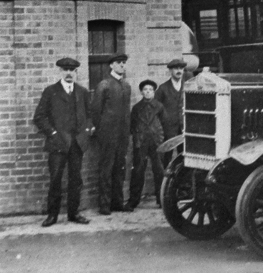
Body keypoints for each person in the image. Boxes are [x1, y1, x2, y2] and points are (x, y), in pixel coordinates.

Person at [33, 57, 93, 227]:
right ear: (60, 71)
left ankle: (74, 213)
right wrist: (52, 133)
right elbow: (39, 117)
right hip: (57, 143)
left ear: (76, 72)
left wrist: (86, 132)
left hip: (77, 143)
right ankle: (52, 215)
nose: (68, 73)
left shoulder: (82, 92)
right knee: (55, 179)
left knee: (76, 179)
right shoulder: (50, 91)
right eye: (65, 70)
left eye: (72, 70)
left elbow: (89, 116)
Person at [91, 52, 132, 215]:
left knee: (120, 168)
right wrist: (102, 130)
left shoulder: (126, 86)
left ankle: (117, 202)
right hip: (108, 134)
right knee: (106, 169)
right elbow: (95, 111)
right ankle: (104, 204)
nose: (122, 65)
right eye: (119, 62)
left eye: (124, 62)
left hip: (122, 134)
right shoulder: (104, 85)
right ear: (111, 65)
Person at [125, 80, 165, 211]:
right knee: (138, 170)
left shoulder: (159, 106)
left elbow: (164, 123)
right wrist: (138, 137)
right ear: (142, 92)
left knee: (159, 170)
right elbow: (132, 125)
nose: (148, 92)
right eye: (145, 90)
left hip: (156, 142)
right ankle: (133, 201)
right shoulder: (136, 108)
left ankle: (161, 199)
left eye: (150, 90)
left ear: (154, 92)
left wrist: (159, 137)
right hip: (141, 142)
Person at [155, 58, 186, 166]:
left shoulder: (188, 86)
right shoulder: (163, 88)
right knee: (166, 156)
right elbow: (156, 109)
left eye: (181, 68)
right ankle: (164, 174)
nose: (179, 71)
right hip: (168, 129)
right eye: (176, 68)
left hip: (183, 128)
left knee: (183, 155)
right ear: (170, 71)